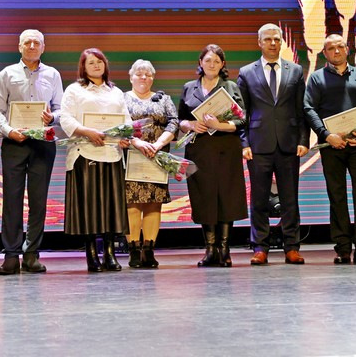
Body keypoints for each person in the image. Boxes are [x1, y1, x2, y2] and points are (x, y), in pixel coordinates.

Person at [304, 34, 356, 265]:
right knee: (337, 196)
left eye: (340, 46)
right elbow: (308, 108)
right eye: (331, 48)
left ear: (347, 49)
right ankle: (343, 249)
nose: (336, 51)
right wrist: (326, 134)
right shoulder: (317, 78)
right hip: (332, 146)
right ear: (324, 53)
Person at [0, 29, 64, 275]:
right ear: (19, 46)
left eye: (36, 43)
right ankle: (11, 255)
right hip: (14, 143)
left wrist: (52, 117)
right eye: (27, 42)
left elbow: (60, 109)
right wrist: (9, 131)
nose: (32, 46)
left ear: (43, 47)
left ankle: (32, 254)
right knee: (12, 200)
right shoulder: (7, 74)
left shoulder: (53, 74)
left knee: (38, 201)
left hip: (42, 143)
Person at [237, 23, 309, 265]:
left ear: (281, 42)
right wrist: (244, 143)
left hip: (289, 144)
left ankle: (292, 247)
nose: (272, 43)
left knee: (290, 199)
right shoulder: (247, 72)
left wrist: (303, 139)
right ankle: (260, 247)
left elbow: (301, 109)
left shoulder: (295, 70)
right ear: (259, 42)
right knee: (259, 200)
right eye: (267, 39)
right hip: (258, 145)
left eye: (276, 39)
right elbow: (241, 113)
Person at [59, 48, 133, 272]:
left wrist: (124, 137)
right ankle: (92, 255)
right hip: (85, 153)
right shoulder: (74, 90)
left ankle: (110, 253)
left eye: (99, 61)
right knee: (89, 208)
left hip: (112, 154)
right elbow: (65, 118)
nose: (96, 65)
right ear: (83, 67)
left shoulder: (116, 92)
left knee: (111, 207)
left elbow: (126, 121)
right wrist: (87, 132)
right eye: (91, 62)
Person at [178, 44, 247, 267]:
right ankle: (210, 249)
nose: (212, 64)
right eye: (207, 60)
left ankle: (224, 250)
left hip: (226, 148)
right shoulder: (189, 87)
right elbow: (180, 120)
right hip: (199, 149)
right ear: (200, 62)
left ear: (222, 64)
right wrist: (190, 125)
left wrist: (219, 125)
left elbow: (242, 119)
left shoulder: (231, 87)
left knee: (226, 196)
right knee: (204, 197)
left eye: (216, 61)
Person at [123, 59, 179, 268]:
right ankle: (134, 250)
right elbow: (117, 125)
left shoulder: (163, 99)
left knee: (154, 203)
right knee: (132, 202)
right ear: (131, 77)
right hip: (131, 155)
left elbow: (174, 122)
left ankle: (148, 250)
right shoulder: (121, 98)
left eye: (148, 74)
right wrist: (136, 143)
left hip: (157, 155)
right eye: (139, 74)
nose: (144, 77)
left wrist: (158, 144)